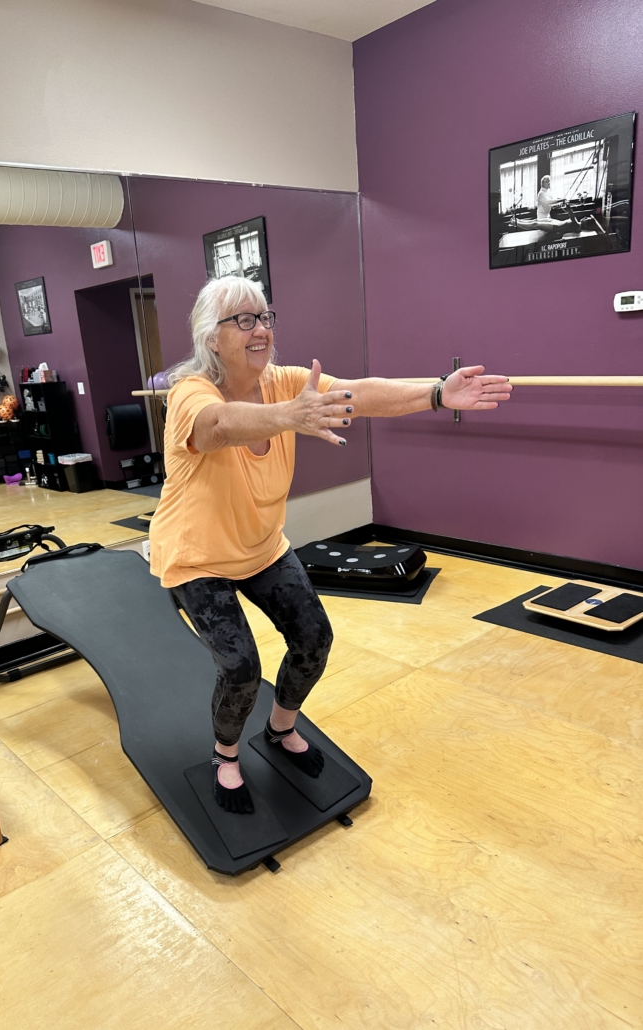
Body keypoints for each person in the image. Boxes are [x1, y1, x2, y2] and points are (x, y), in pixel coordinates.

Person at [149, 277, 512, 814]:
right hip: (195, 557)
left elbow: (359, 393)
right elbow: (218, 425)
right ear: (212, 336)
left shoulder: (284, 383)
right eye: (244, 320)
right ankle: (225, 755)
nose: (260, 329)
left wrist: (436, 393)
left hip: (262, 547)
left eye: (265, 316)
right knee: (242, 666)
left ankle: (280, 728)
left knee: (314, 639)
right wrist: (291, 415)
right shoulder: (191, 393)